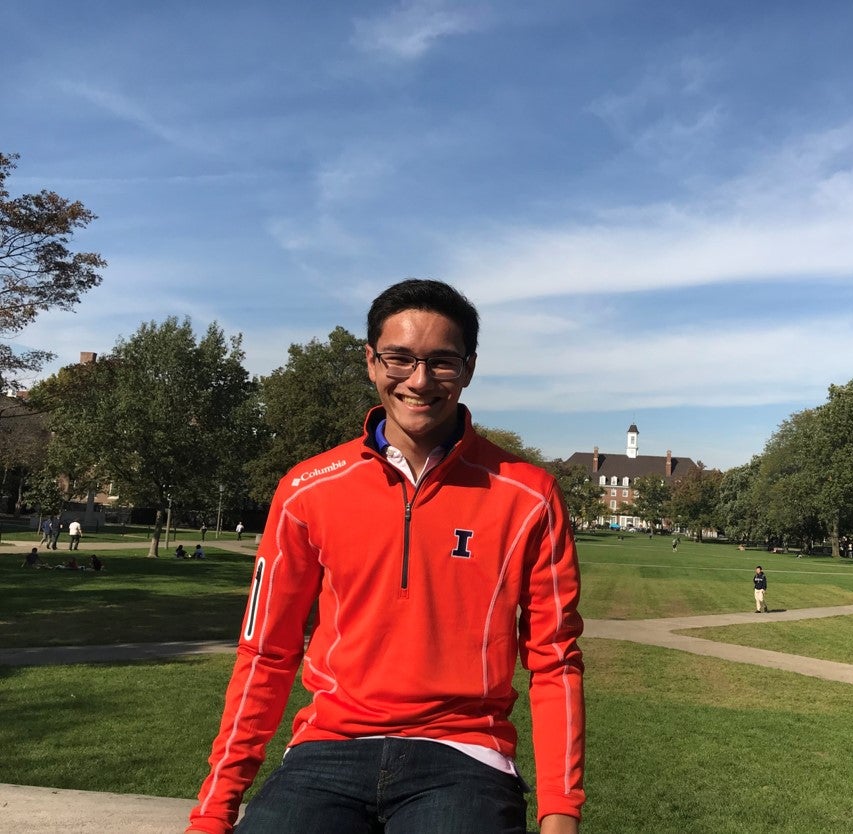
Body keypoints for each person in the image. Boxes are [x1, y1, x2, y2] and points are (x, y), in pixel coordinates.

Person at [186, 279, 585, 834]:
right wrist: (214, 809)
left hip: (464, 756)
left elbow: (554, 659)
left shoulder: (529, 495)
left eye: (442, 362)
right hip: (327, 751)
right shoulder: (306, 488)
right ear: (371, 362)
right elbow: (266, 651)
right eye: (399, 358)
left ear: (468, 369)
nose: (419, 381)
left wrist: (560, 811)